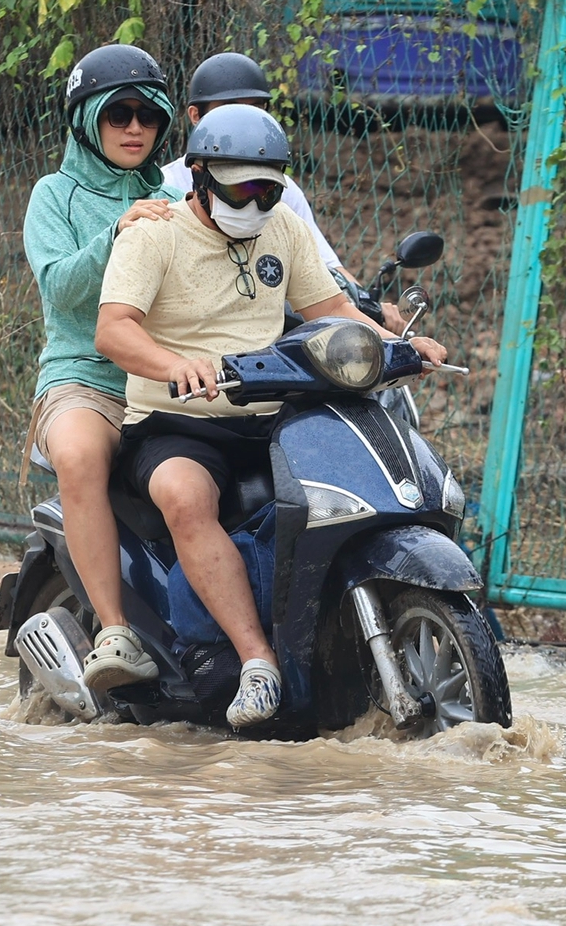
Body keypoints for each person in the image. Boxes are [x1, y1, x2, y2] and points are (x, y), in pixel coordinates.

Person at [96, 104, 448, 729]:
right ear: (199, 175)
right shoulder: (154, 234)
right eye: (241, 186)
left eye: (268, 187)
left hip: (271, 412)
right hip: (178, 419)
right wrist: (176, 364)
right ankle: (258, 663)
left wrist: (397, 347)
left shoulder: (282, 228)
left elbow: (328, 305)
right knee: (183, 496)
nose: (256, 201)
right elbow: (114, 331)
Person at [23, 43, 178, 692]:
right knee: (81, 457)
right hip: (82, 379)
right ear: (87, 121)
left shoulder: (176, 194)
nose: (136, 128)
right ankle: (114, 629)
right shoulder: (52, 196)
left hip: (167, 380)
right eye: (119, 114)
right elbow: (60, 288)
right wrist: (118, 228)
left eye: (148, 115)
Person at [158, 51, 404, 330]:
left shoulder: (281, 189)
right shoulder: (164, 187)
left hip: (268, 328)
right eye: (230, 108)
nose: (244, 119)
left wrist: (369, 310)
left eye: (256, 108)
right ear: (195, 115)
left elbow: (325, 269)